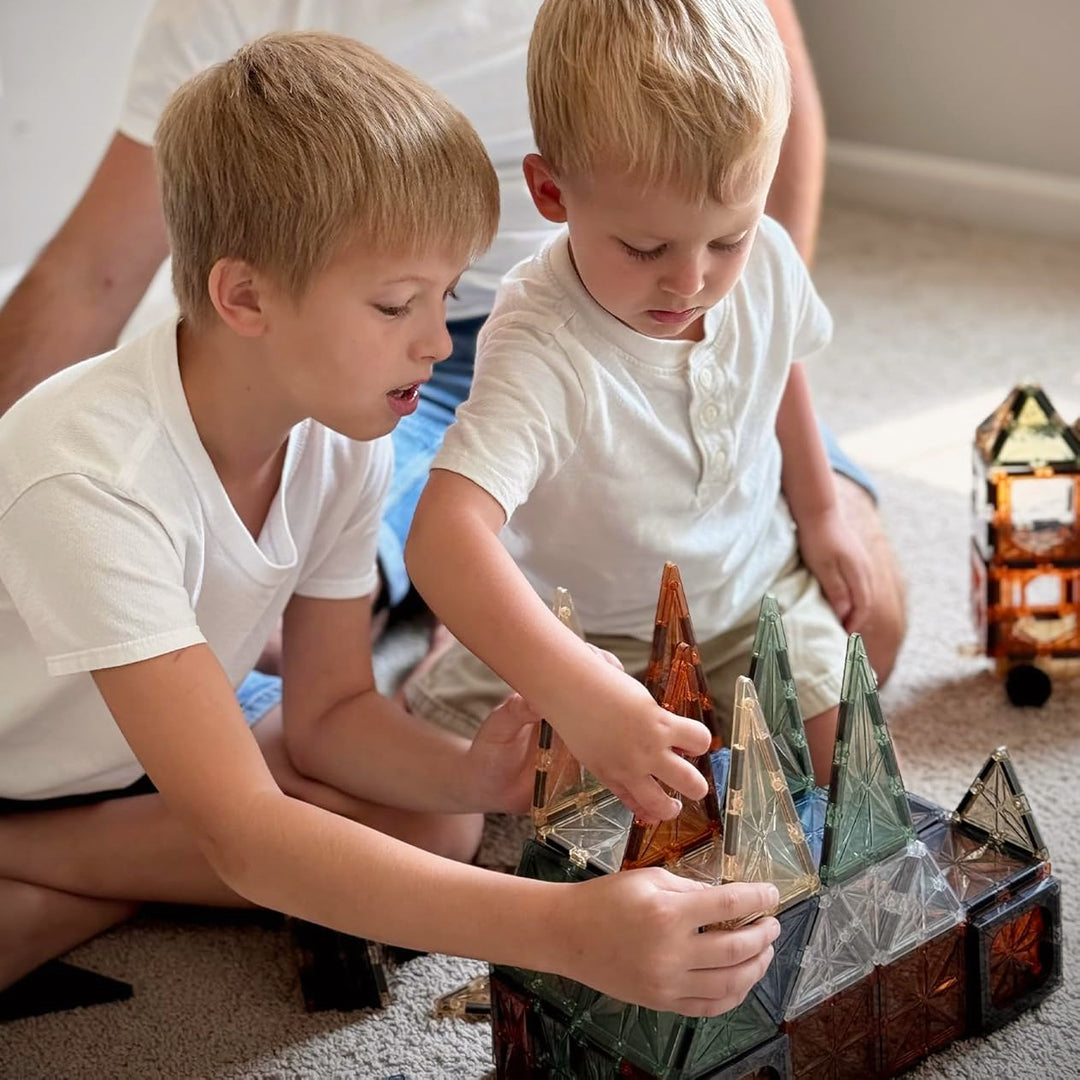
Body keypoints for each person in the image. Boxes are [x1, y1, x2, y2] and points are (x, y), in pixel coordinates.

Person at [0, 32, 783, 1017]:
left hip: (115, 743)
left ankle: (55, 871)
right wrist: (568, 933)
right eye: (397, 304)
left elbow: (328, 717)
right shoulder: (90, 475)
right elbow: (245, 831)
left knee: (436, 823)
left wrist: (472, 774)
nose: (434, 341)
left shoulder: (340, 432)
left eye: (447, 297)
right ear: (244, 295)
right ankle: (40, 870)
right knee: (267, 843)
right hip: (21, 765)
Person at [0, 0, 905, 678]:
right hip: (401, 335)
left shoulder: (710, 266)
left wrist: (722, 316)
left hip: (650, 329)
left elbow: (770, 122)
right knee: (256, 633)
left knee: (863, 622)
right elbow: (92, 273)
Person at [405, 0, 873, 805]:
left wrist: (822, 511)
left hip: (751, 591)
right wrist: (580, 692)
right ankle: (449, 656)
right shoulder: (538, 341)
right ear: (552, 192)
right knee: (477, 776)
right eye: (645, 247)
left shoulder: (766, 259)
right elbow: (443, 539)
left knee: (850, 764)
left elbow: (778, 366)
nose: (691, 282)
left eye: (727, 238)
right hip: (589, 636)